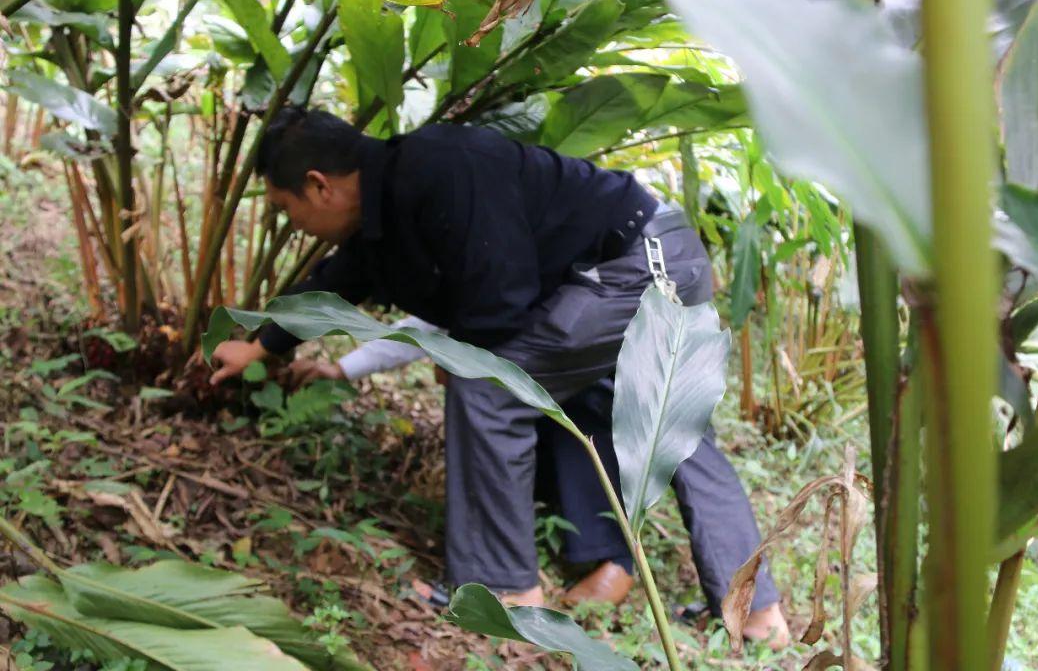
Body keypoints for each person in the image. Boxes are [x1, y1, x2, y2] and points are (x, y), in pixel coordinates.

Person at [210, 107, 789, 645]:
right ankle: (756, 615)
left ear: (320, 184)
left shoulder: (441, 167)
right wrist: (261, 346)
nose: (296, 225)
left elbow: (500, 299)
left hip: (635, 264)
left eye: (288, 210)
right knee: (674, 428)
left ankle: (504, 591)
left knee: (489, 386)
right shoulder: (393, 194)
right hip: (657, 253)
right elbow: (344, 277)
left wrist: (462, 356)